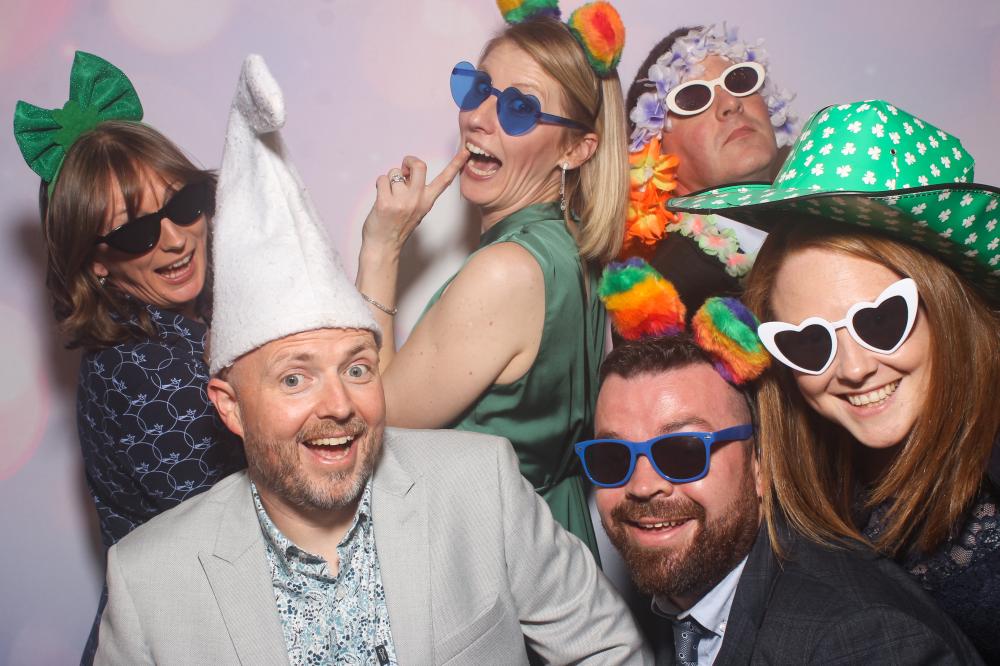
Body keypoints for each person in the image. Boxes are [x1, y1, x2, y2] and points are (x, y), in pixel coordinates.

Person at [95, 54, 649, 666]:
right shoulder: (150, 583)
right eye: (295, 378)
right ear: (227, 405)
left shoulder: (482, 478)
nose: (338, 404)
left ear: (576, 148)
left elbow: (606, 646)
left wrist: (382, 247)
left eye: (357, 368)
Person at [670, 99, 1000, 662]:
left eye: (881, 321)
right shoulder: (813, 469)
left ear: (946, 305)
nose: (852, 369)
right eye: (808, 342)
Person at [354, 1, 629, 558]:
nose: (478, 117)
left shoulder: (506, 271)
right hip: (547, 543)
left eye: (521, 108)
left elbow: (369, 422)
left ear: (576, 149)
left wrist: (382, 248)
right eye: (478, 88)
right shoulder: (568, 247)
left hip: (492, 557)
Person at [13, 51, 245, 662]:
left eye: (184, 204)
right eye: (136, 232)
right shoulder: (143, 370)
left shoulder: (185, 323)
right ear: (95, 261)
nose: (173, 239)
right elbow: (239, 537)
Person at [584, 329, 982, 664]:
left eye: (683, 452)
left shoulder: (858, 640)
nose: (642, 486)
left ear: (761, 463)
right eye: (611, 458)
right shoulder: (678, 590)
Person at [622, 24, 797, 313]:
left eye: (740, 80)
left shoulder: (828, 225)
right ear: (656, 151)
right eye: (693, 98)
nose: (731, 103)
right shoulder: (671, 294)